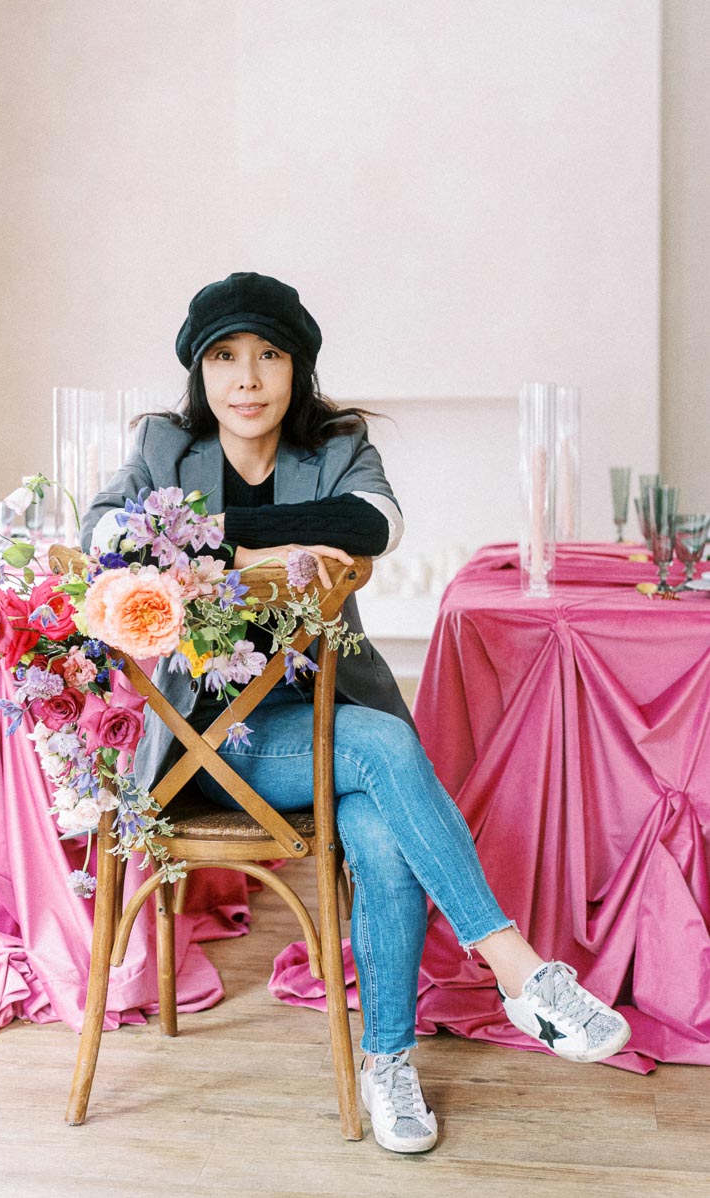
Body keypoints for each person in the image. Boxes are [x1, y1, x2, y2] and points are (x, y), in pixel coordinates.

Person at [81, 271, 631, 1156]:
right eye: (225, 357)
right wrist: (276, 540)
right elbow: (106, 535)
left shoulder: (338, 443)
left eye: (269, 355)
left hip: (329, 727)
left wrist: (209, 535)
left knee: (381, 836)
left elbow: (372, 522)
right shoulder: (160, 444)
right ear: (199, 371)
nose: (248, 378)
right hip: (209, 745)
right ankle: (519, 972)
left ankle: (388, 1061)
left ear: (298, 370)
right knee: (380, 746)